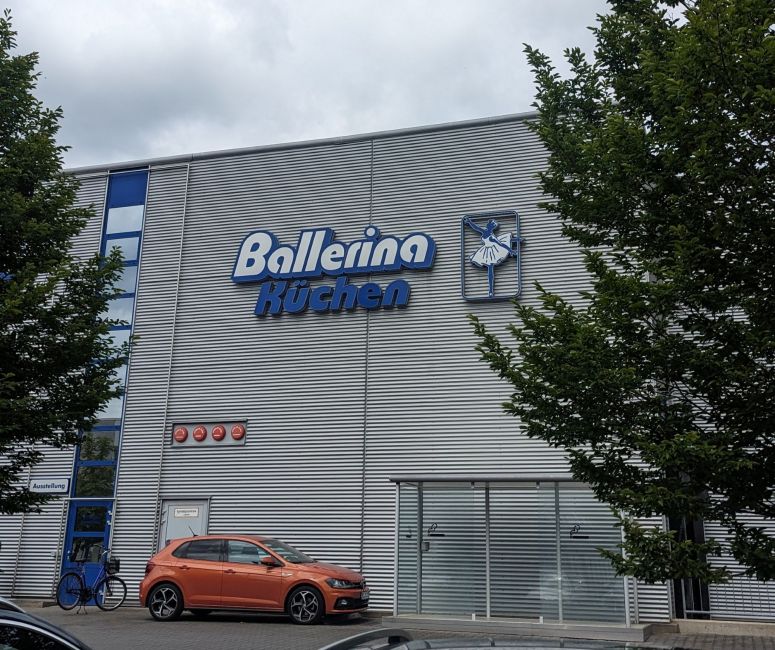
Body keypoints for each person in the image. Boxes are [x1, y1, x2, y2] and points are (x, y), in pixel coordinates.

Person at [463, 216, 516, 297]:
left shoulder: (492, 237)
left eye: (489, 224)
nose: (487, 224)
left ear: (491, 227)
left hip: (492, 251)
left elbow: (501, 244)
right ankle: (490, 291)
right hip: (485, 250)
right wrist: (469, 222)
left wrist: (510, 250)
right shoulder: (484, 231)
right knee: (489, 268)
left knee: (490, 268)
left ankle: (491, 291)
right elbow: (476, 228)